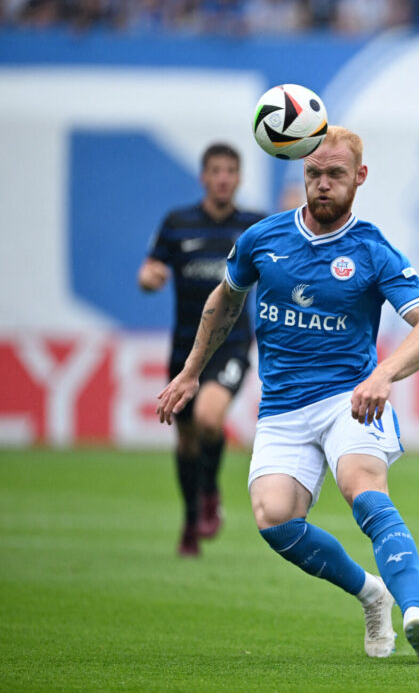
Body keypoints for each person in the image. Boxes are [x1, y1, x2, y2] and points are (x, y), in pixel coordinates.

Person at [156, 126, 419, 663]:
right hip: (283, 408)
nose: (323, 185)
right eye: (313, 174)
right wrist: (192, 371)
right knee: (273, 518)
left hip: (349, 397)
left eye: (336, 174)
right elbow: (224, 303)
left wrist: (383, 376)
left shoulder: (373, 249)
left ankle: (417, 612)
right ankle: (372, 594)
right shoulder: (263, 239)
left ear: (359, 177)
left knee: (363, 489)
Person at [138, 142, 263, 557]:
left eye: (230, 170)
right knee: (186, 440)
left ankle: (210, 493)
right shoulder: (178, 223)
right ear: (204, 177)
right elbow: (150, 269)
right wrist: (150, 277)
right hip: (183, 348)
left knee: (210, 418)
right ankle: (191, 521)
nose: (223, 177)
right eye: (216, 170)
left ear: (239, 178)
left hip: (231, 343)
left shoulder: (254, 227)